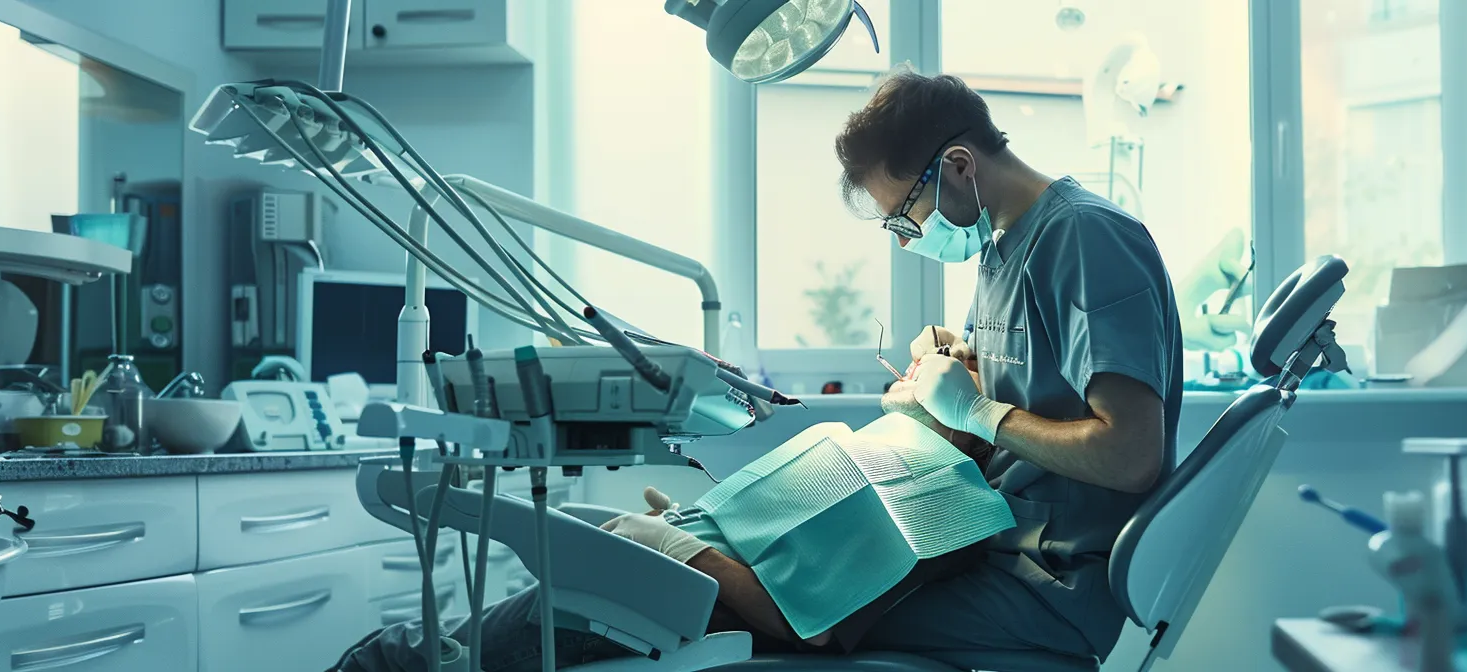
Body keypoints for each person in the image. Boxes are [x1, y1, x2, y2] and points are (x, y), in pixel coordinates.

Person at [835, 67, 1184, 665]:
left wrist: (977, 410)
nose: (903, 241)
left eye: (902, 217)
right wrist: (955, 366)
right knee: (816, 578)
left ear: (960, 166)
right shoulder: (1002, 245)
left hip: (1052, 583)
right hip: (991, 547)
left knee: (814, 619)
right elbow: (1027, 385)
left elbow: (1131, 456)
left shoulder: (1086, 238)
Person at [330, 381, 995, 672]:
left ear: (963, 407)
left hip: (647, 605)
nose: (908, 370)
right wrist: (683, 528)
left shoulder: (925, 496)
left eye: (934, 369)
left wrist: (681, 549)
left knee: (394, 659)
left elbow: (811, 624)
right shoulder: (887, 460)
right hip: (648, 586)